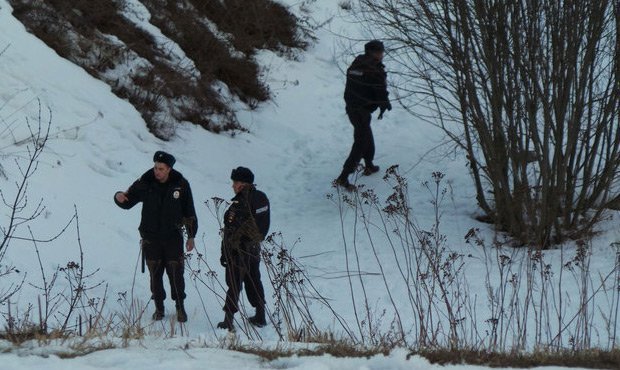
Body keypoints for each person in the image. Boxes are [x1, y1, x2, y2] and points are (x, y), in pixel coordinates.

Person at [114, 151, 198, 323]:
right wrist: (119, 197)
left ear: (169, 169)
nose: (156, 171)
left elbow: (189, 211)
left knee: (176, 273)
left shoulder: (181, 185)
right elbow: (128, 200)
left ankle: (180, 307)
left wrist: (191, 236)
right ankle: (159, 308)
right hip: (151, 236)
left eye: (160, 168)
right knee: (155, 273)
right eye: (155, 167)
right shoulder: (145, 182)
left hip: (173, 236)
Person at [217, 167, 270, 331]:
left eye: (235, 182)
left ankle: (228, 320)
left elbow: (231, 230)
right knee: (254, 280)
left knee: (234, 284)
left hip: (239, 250)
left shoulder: (241, 203)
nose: (233, 186)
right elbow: (263, 226)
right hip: (254, 248)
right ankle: (260, 315)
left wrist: (226, 252)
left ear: (243, 184)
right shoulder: (261, 198)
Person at [336, 40, 392, 191]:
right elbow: (380, 90)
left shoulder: (357, 64)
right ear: (374, 53)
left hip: (352, 108)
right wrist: (384, 103)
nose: (382, 55)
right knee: (360, 141)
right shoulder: (374, 69)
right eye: (380, 52)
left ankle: (369, 164)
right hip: (362, 110)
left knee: (365, 133)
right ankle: (343, 177)